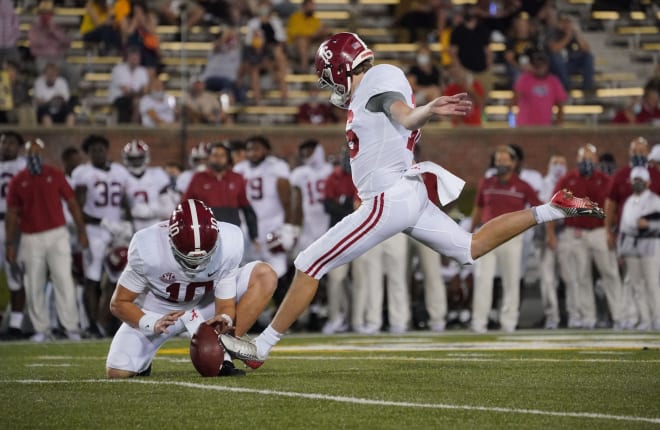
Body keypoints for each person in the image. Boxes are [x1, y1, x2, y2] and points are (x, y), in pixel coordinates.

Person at [219, 32, 605, 368]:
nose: (329, 86)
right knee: (470, 248)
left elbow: (401, 114)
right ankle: (551, 208)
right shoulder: (374, 85)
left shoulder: (377, 80)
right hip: (406, 192)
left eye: (328, 76)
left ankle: (262, 346)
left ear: (340, 67)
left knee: (309, 262)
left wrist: (426, 111)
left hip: (388, 196)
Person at [105, 199, 277, 378]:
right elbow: (119, 303)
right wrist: (150, 323)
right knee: (118, 372)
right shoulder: (147, 246)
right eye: (189, 260)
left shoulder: (230, 241)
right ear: (170, 241)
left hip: (205, 304)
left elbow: (225, 300)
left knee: (264, 275)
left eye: (204, 257)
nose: (197, 265)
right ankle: (143, 364)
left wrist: (225, 318)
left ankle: (226, 349)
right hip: (160, 311)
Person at [6, 138, 88, 342]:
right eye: (30, 152)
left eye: (37, 151)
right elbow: (12, 213)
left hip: (57, 234)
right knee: (33, 283)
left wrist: (81, 231)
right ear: (25, 155)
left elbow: (72, 204)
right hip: (30, 236)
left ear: (43, 153)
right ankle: (40, 329)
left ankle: (71, 327)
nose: (34, 155)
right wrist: (9, 243)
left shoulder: (55, 174)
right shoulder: (18, 180)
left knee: (64, 280)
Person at [547, 144, 623, 329]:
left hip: (599, 231)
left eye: (590, 159)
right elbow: (553, 206)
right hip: (575, 232)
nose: (586, 163)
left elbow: (615, 207)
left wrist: (612, 231)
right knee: (581, 277)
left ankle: (621, 316)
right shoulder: (568, 179)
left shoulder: (606, 180)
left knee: (610, 273)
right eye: (583, 159)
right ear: (577, 161)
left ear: (596, 161)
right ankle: (587, 317)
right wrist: (550, 232)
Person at [470, 145, 542, 333]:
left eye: (504, 160)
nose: (500, 163)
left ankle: (509, 322)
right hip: (486, 235)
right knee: (483, 279)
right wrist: (470, 232)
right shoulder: (486, 183)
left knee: (511, 280)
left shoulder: (523, 186)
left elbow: (538, 209)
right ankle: (479, 322)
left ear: (514, 163)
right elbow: (478, 209)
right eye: (498, 160)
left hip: (512, 236)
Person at [72, 134, 133, 338]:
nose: (98, 153)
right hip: (94, 231)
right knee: (93, 278)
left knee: (120, 277)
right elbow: (78, 207)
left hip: (116, 231)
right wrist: (95, 224)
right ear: (88, 154)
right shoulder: (83, 173)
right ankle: (91, 324)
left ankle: (113, 322)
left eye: (101, 149)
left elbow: (125, 200)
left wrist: (128, 221)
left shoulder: (119, 171)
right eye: (93, 150)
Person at [233, 135, 297, 304]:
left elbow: (287, 198)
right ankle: (252, 319)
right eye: (249, 149)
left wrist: (288, 227)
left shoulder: (276, 167)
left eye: (256, 148)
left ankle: (282, 317)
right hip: (248, 229)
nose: (252, 153)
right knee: (246, 274)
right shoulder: (239, 169)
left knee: (278, 272)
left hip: (272, 226)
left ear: (266, 150)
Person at [182, 141, 258, 245]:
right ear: (209, 157)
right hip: (205, 234)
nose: (218, 159)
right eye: (215, 155)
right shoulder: (198, 178)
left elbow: (246, 208)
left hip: (231, 233)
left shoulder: (237, 178)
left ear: (228, 158)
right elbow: (185, 206)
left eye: (222, 155)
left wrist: (254, 235)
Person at [616, 167, 660, 330]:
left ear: (648, 182)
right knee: (636, 285)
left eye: (640, 179)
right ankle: (644, 319)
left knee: (652, 283)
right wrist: (621, 250)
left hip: (650, 243)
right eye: (635, 179)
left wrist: (649, 224)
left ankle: (657, 318)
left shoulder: (655, 201)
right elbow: (623, 228)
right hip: (631, 245)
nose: (637, 182)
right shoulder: (628, 202)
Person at [0, 131, 26, 339]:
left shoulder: (23, 166)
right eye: (4, 142)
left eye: (11, 143)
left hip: (13, 224)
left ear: (19, 147)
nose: (7, 146)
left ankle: (16, 324)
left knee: (15, 275)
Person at [122, 140, 171, 232]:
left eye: (139, 158)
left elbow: (168, 208)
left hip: (155, 221)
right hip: (132, 223)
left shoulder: (157, 174)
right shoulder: (122, 176)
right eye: (132, 159)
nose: (136, 161)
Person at [510, 51, 566, 126]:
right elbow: (514, 100)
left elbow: (560, 103)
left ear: (547, 65)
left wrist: (559, 122)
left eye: (542, 65)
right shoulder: (524, 79)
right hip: (524, 126)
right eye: (536, 65)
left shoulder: (553, 81)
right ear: (532, 65)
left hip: (545, 127)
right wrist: (511, 122)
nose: (539, 68)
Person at [108, 46, 150, 123]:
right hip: (119, 98)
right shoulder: (118, 69)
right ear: (128, 57)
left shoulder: (142, 71)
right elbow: (126, 91)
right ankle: (127, 127)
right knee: (128, 102)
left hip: (136, 98)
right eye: (132, 57)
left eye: (136, 57)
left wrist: (139, 94)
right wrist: (138, 94)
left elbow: (145, 89)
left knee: (144, 102)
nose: (135, 59)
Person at [286, 0, 329, 73]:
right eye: (310, 6)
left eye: (313, 6)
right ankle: (304, 67)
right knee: (302, 41)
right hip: (296, 44)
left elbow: (318, 32)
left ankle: (326, 66)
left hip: (312, 42)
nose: (313, 8)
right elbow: (296, 34)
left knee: (326, 37)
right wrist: (313, 34)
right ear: (304, 7)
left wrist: (323, 32)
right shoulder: (295, 17)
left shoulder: (315, 20)